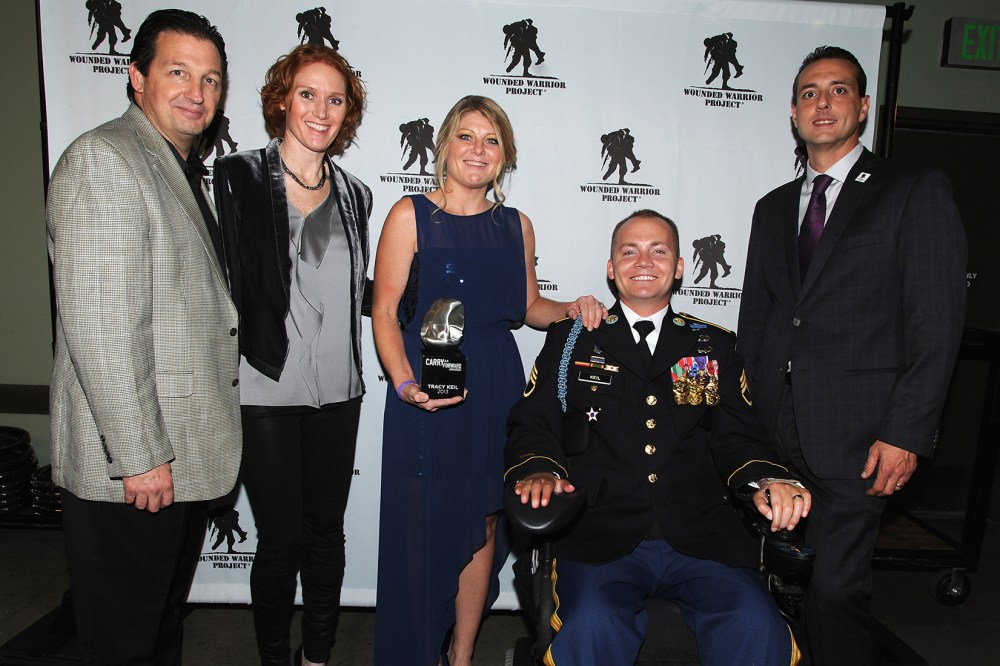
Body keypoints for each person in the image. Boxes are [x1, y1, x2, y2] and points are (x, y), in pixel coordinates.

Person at [738, 46, 967, 665]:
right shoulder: (772, 207)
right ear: (792, 111)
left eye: (838, 90)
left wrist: (907, 432)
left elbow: (936, 323)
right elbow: (757, 319)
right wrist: (746, 422)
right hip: (775, 429)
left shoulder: (912, 190)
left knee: (836, 592)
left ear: (863, 106)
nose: (823, 103)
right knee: (770, 586)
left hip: (861, 436)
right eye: (810, 92)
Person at [506, 210, 808, 665]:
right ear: (611, 269)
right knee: (592, 624)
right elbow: (534, 423)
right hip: (600, 534)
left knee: (756, 623)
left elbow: (739, 439)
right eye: (629, 251)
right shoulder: (574, 339)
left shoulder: (709, 346)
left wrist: (766, 480)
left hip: (700, 536)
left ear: (680, 266)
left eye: (658, 250)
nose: (643, 261)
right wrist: (539, 470)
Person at [371, 95, 606, 666]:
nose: (478, 149)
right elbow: (383, 312)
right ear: (444, 147)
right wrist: (405, 387)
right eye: (466, 136)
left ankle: (463, 655)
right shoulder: (409, 215)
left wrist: (573, 308)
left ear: (505, 156)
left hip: (497, 387)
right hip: (425, 384)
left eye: (492, 140)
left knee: (481, 523)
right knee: (424, 525)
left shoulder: (516, 226)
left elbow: (527, 307)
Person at [46, 9, 240, 665]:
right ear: (136, 77)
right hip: (131, 470)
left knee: (156, 632)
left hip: (174, 459)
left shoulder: (175, 168)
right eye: (178, 72)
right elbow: (101, 324)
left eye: (211, 79)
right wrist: (138, 455)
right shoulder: (105, 161)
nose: (197, 92)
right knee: (122, 643)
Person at [213, 44, 371, 666]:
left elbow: (369, 297)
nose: (321, 110)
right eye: (308, 94)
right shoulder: (239, 176)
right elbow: (222, 281)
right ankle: (275, 657)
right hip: (263, 388)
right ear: (281, 99)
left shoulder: (356, 195)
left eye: (336, 100)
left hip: (339, 390)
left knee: (325, 536)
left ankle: (319, 656)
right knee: (279, 541)